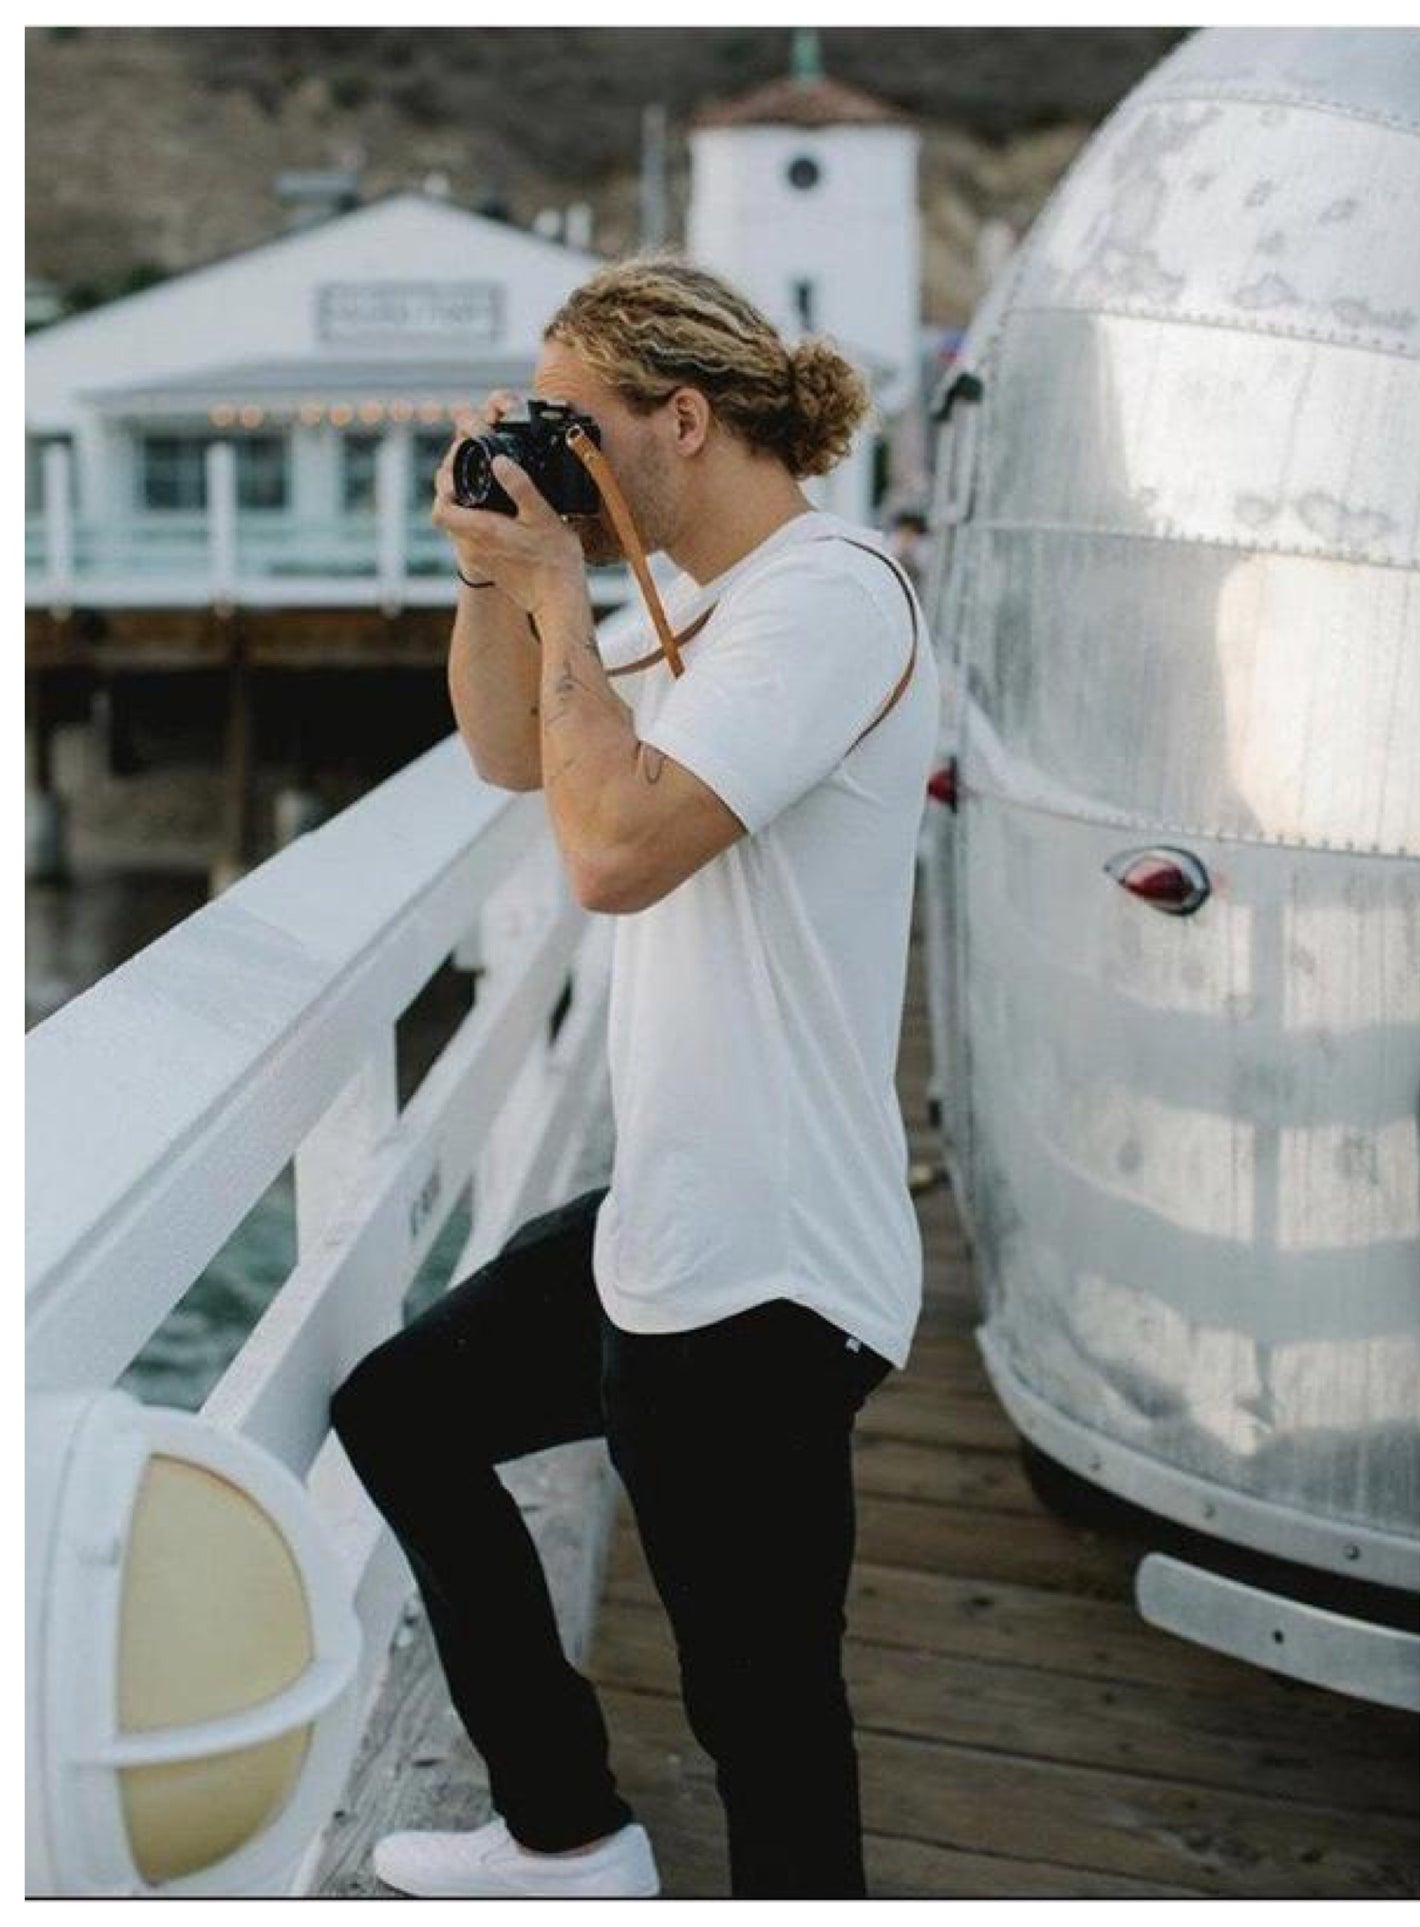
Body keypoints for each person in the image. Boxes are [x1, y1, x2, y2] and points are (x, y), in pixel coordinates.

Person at [329, 255, 941, 1900]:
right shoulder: (700, 609)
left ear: (684, 418)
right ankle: (566, 1830)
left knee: (761, 1708)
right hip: (673, 1213)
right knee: (400, 1411)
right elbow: (513, 754)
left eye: (570, 425)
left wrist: (551, 591)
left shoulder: (822, 598)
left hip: (767, 1260)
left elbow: (607, 853)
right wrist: (493, 573)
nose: (549, 452)